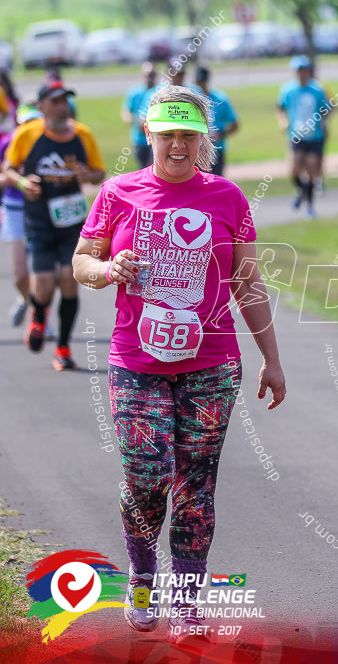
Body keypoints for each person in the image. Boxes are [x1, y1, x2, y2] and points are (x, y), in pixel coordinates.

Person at [71, 85, 286, 645]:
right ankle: (143, 577)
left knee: (196, 483)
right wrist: (108, 269)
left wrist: (272, 358)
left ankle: (187, 601)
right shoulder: (119, 193)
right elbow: (81, 263)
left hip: (212, 363)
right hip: (136, 361)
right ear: (149, 135)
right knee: (146, 479)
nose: (177, 144)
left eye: (188, 134)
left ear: (202, 139)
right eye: (167, 134)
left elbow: (248, 283)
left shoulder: (228, 198)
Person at [2, 80, 105, 370]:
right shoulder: (27, 134)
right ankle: (38, 315)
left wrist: (88, 174)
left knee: (68, 282)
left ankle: (62, 347)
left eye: (66, 100)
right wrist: (23, 182)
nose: (63, 106)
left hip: (72, 222)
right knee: (45, 285)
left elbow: (99, 173)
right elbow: (8, 168)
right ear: (42, 105)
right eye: (56, 100)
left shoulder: (83, 135)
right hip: (39, 221)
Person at [277, 55, 332, 217]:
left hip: (314, 135)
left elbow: (328, 107)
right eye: (298, 71)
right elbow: (281, 108)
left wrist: (323, 120)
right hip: (296, 134)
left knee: (311, 168)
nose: (301, 74)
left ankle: (309, 205)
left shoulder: (318, 89)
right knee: (294, 170)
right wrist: (283, 121)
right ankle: (301, 190)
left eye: (304, 70)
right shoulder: (287, 89)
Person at [0, 105, 40, 327]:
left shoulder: (47, 142)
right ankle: (25, 299)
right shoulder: (7, 143)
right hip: (15, 208)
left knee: (43, 272)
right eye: (26, 124)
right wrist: (15, 179)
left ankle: (39, 316)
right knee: (20, 275)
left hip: (39, 211)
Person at [195, 66, 239, 177]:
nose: (201, 86)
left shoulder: (220, 99)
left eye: (203, 82)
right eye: (199, 82)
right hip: (196, 150)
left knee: (216, 183)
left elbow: (235, 124)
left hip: (216, 149)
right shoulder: (192, 100)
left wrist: (220, 136)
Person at [122, 62, 158, 169]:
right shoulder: (134, 93)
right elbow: (126, 111)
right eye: (147, 75)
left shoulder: (159, 91)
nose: (149, 78)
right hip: (139, 138)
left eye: (152, 75)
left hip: (156, 137)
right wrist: (135, 121)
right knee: (143, 168)